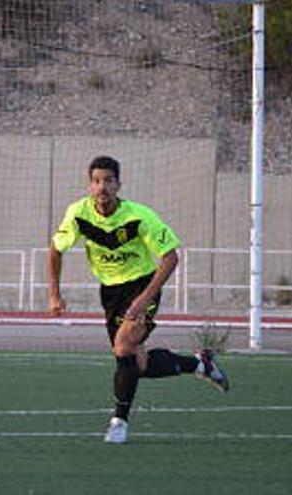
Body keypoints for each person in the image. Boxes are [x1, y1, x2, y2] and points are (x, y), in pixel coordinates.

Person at [47, 155, 229, 444]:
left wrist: (145, 299)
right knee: (137, 364)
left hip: (143, 285)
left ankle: (119, 422)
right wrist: (55, 295)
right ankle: (200, 364)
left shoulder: (140, 216)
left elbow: (170, 258)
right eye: (96, 181)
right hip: (110, 292)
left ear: (119, 184)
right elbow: (56, 250)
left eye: (108, 180)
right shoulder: (79, 213)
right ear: (89, 185)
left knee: (123, 345)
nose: (102, 187)